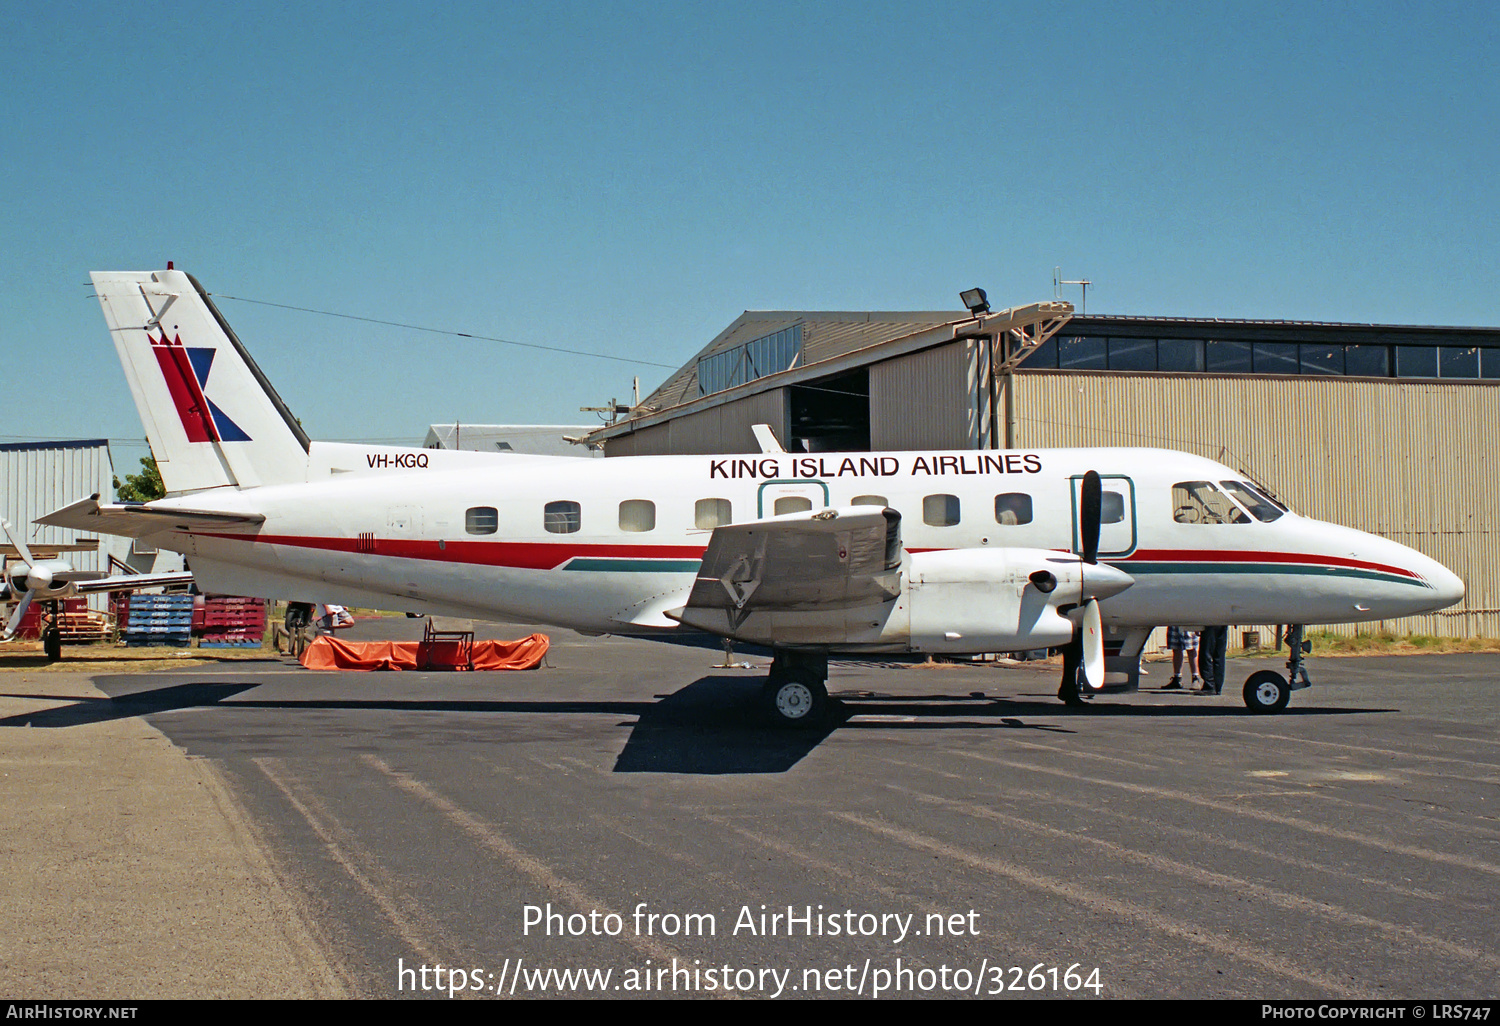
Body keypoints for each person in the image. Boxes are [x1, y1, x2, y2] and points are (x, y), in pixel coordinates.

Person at [1197, 625, 1229, 695]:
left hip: (1210, 623)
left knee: (1206, 653)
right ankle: (1218, 686)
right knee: (1219, 655)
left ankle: (1210, 685)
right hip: (1222, 623)